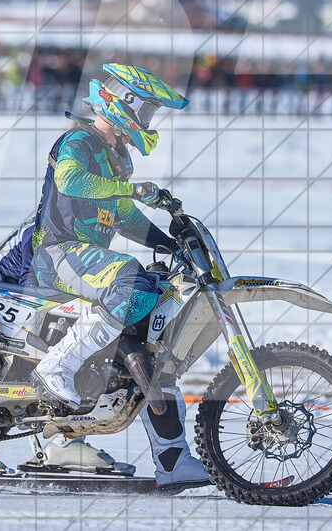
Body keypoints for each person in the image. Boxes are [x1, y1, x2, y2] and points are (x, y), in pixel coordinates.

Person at [30, 62, 208, 488]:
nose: (146, 122)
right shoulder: (79, 141)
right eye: (145, 112)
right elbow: (72, 182)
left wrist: (168, 242)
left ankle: (173, 460)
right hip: (60, 255)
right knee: (130, 275)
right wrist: (129, 189)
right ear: (121, 104)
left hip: (89, 263)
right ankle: (56, 366)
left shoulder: (117, 157)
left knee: (154, 347)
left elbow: (123, 216)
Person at [0, 216, 135, 476]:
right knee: (8, 378)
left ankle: (66, 442)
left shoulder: (94, 219)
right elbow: (36, 280)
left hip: (29, 296)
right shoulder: (49, 222)